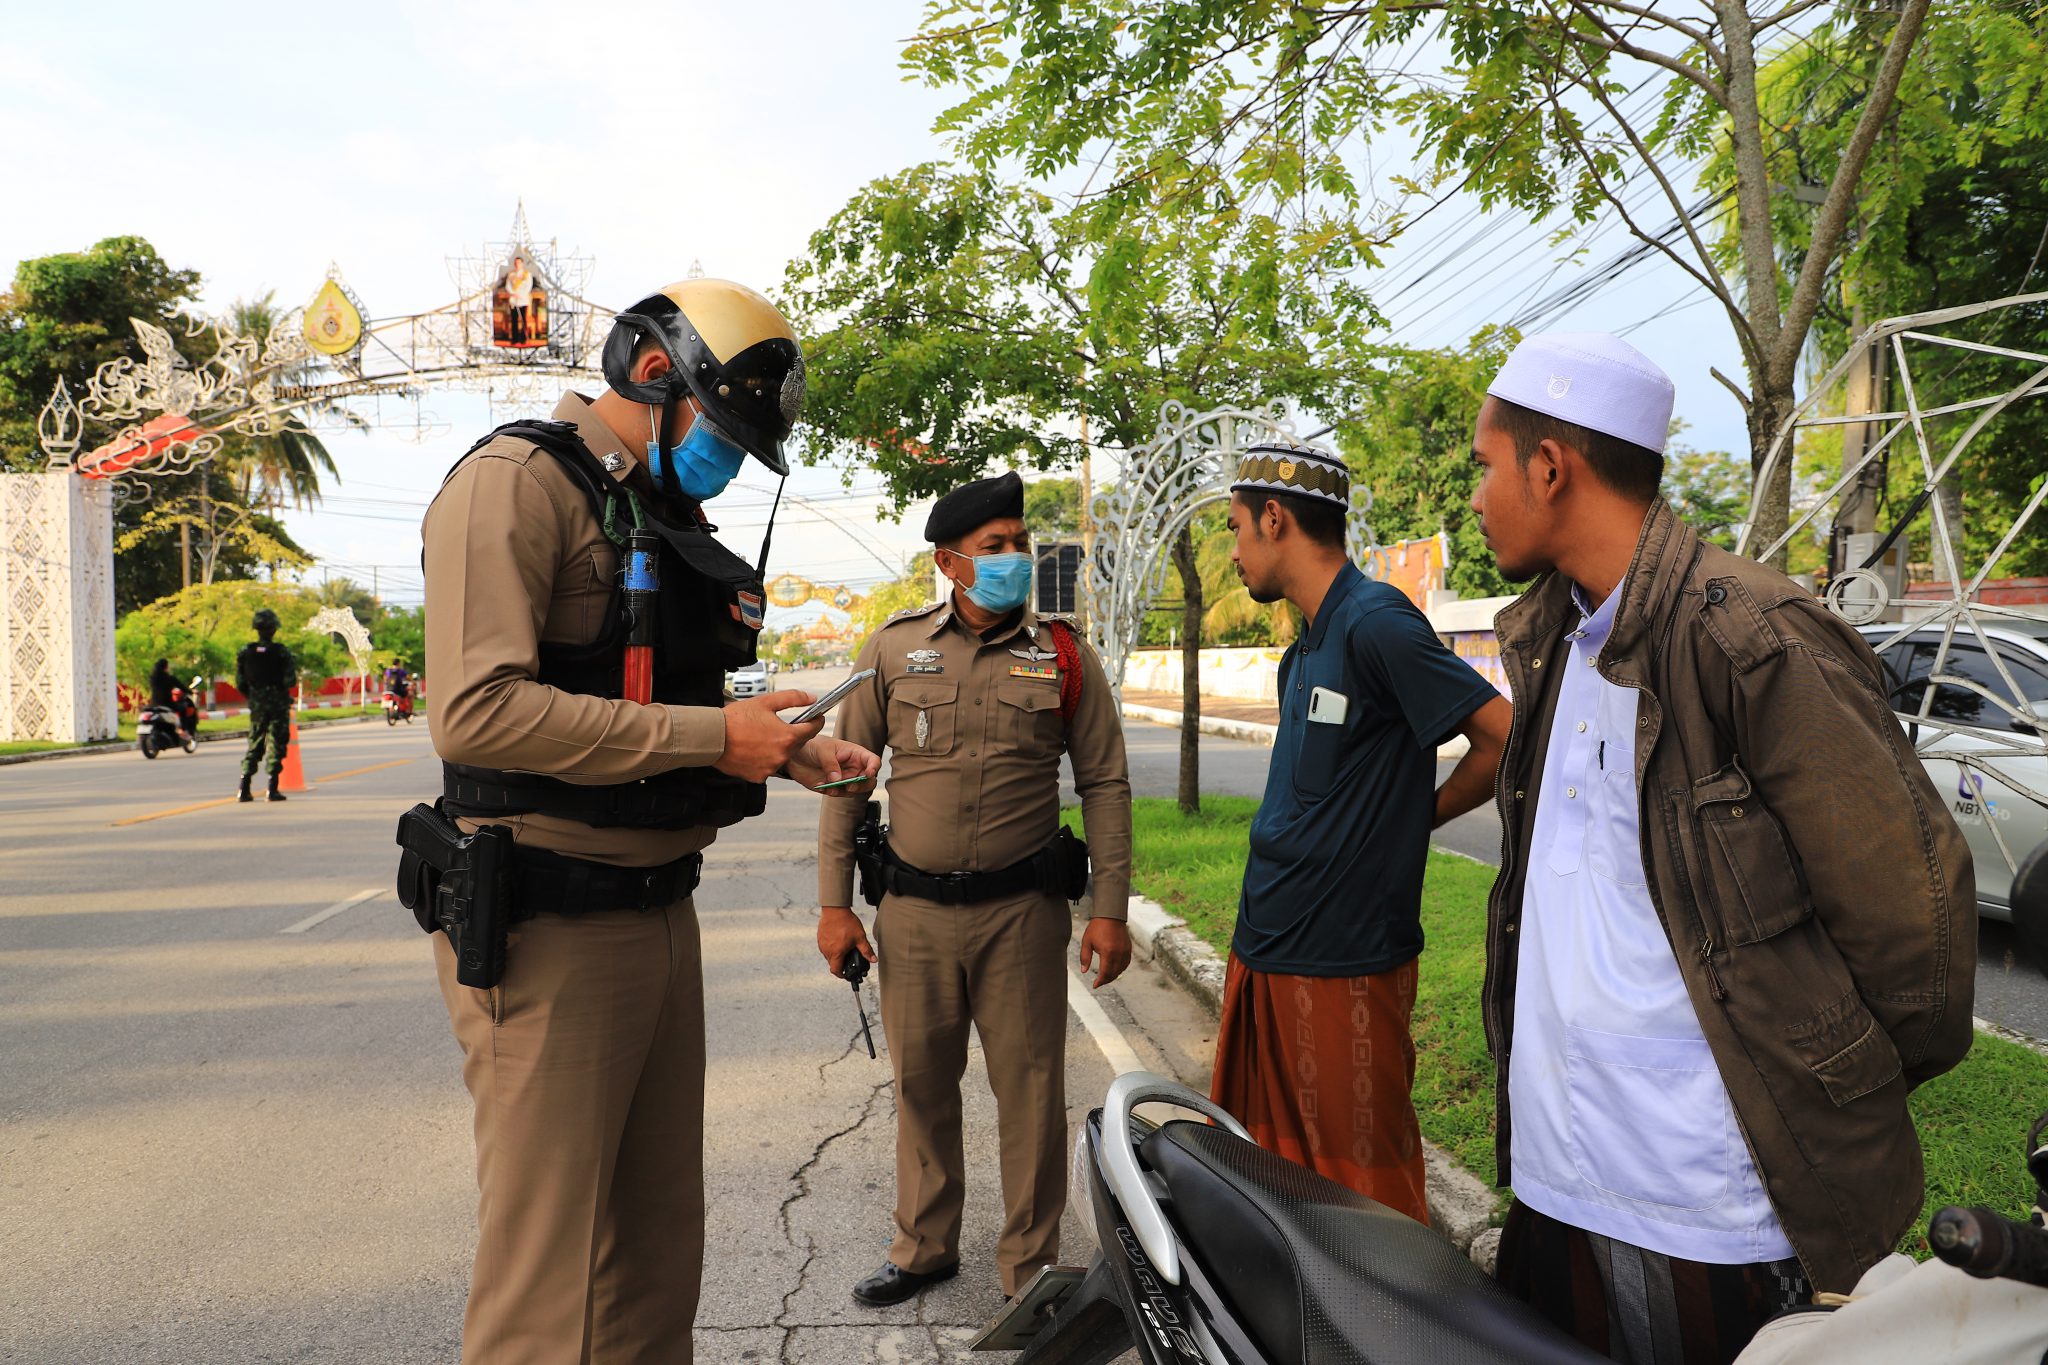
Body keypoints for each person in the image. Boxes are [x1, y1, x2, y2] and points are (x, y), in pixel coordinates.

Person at [1469, 332, 1977, 1362]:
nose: (1474, 496)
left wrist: (1824, 1091)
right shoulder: (1544, 641)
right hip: (1555, 1181)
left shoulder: (1748, 635)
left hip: (1701, 1208)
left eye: (1483, 465)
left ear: (1549, 466)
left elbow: (1911, 932)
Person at [420, 276, 879, 1365]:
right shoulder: (516, 486)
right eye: (719, 429)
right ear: (652, 373)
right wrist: (714, 738)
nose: (724, 457)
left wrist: (784, 746)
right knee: (552, 1286)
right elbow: (476, 710)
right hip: (547, 923)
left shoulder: (657, 509)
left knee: (654, 1261)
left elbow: (642, 702)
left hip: (658, 914)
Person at [815, 470, 1134, 1306]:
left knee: (1031, 1095)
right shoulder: (892, 648)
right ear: (952, 564)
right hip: (913, 915)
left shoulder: (1062, 654)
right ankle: (924, 1244)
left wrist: (1109, 911)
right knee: (921, 1082)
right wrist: (834, 903)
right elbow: (845, 780)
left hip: (1022, 916)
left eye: (1020, 544)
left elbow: (1105, 783)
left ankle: (1030, 1271)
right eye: (996, 548)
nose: (1016, 559)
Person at [1210, 442, 1511, 1221]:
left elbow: (1502, 736)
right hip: (1270, 948)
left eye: (1238, 528)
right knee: (1278, 1195)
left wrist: (1418, 819)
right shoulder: (1305, 646)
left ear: (1275, 519)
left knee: (1364, 1205)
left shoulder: (1376, 622)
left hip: (1345, 960)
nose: (1235, 550)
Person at [236, 611, 296, 802]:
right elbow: (290, 680)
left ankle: (244, 788)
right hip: (277, 705)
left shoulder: (246, 652)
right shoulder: (282, 652)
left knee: (255, 742)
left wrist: (255, 696)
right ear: (273, 629)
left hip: (257, 706)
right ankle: (272, 789)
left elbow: (240, 682)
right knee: (276, 744)